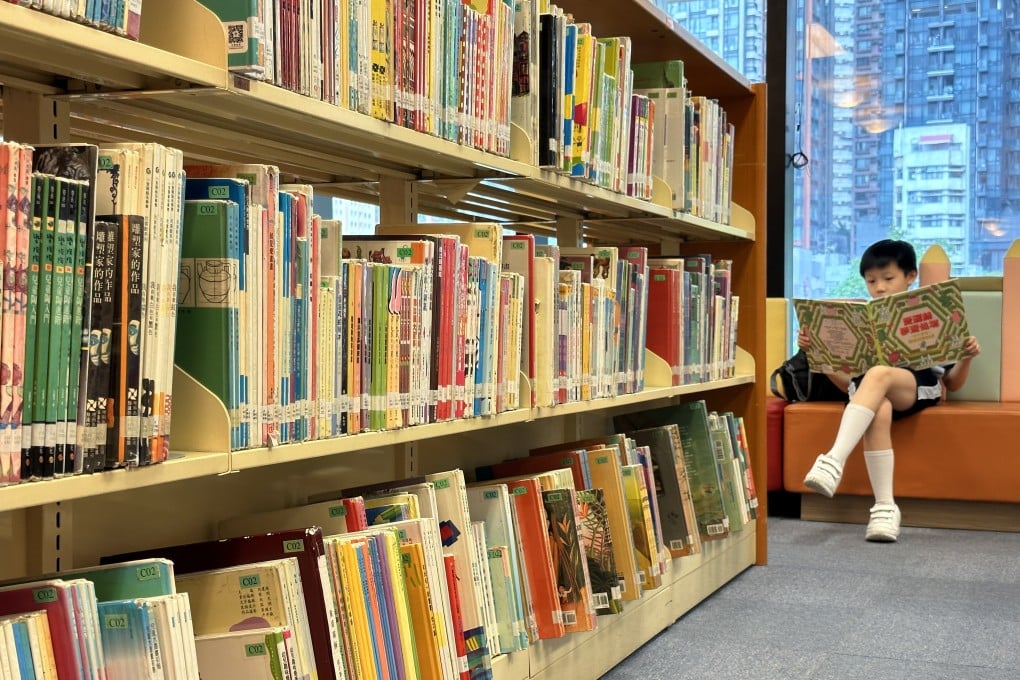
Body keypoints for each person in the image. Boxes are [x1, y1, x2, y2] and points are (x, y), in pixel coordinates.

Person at [799, 239, 981, 542]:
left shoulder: (932, 312)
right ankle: (884, 508)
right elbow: (849, 386)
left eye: (887, 278)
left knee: (878, 373)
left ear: (910, 276)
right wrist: (817, 353)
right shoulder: (863, 318)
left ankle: (833, 460)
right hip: (869, 392)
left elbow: (952, 383)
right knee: (878, 404)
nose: (879, 288)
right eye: (871, 281)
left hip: (916, 386)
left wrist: (966, 356)